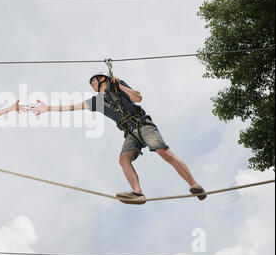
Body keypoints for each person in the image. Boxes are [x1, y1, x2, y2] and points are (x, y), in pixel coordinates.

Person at [31, 71, 206, 204]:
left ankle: (193, 184)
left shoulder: (117, 86)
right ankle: (137, 192)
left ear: (103, 80)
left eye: (94, 81)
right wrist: (48, 108)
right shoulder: (97, 101)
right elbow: (72, 107)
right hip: (130, 133)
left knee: (164, 152)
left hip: (142, 124)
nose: (92, 85)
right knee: (124, 159)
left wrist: (120, 86)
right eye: (91, 83)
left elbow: (138, 97)